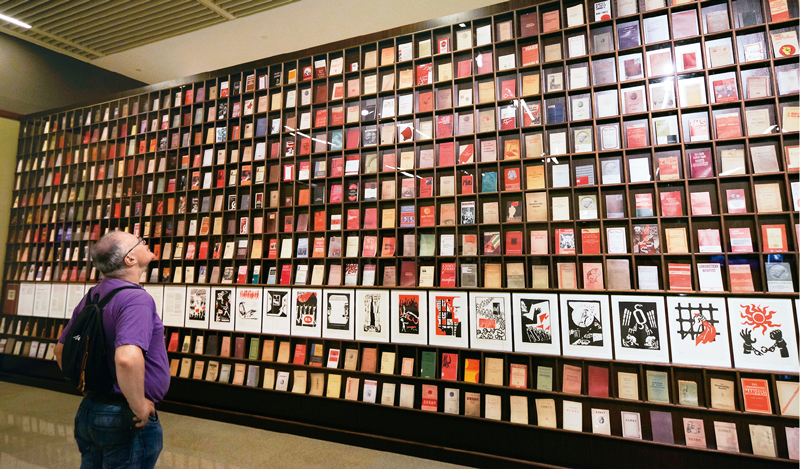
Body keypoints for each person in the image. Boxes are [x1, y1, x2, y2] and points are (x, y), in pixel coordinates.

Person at [54, 231, 170, 468]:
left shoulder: (93, 295)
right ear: (130, 259)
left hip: (91, 410)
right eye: (140, 241)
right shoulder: (135, 299)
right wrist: (139, 405)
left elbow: (60, 350)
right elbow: (127, 358)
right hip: (124, 418)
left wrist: (87, 388)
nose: (145, 242)